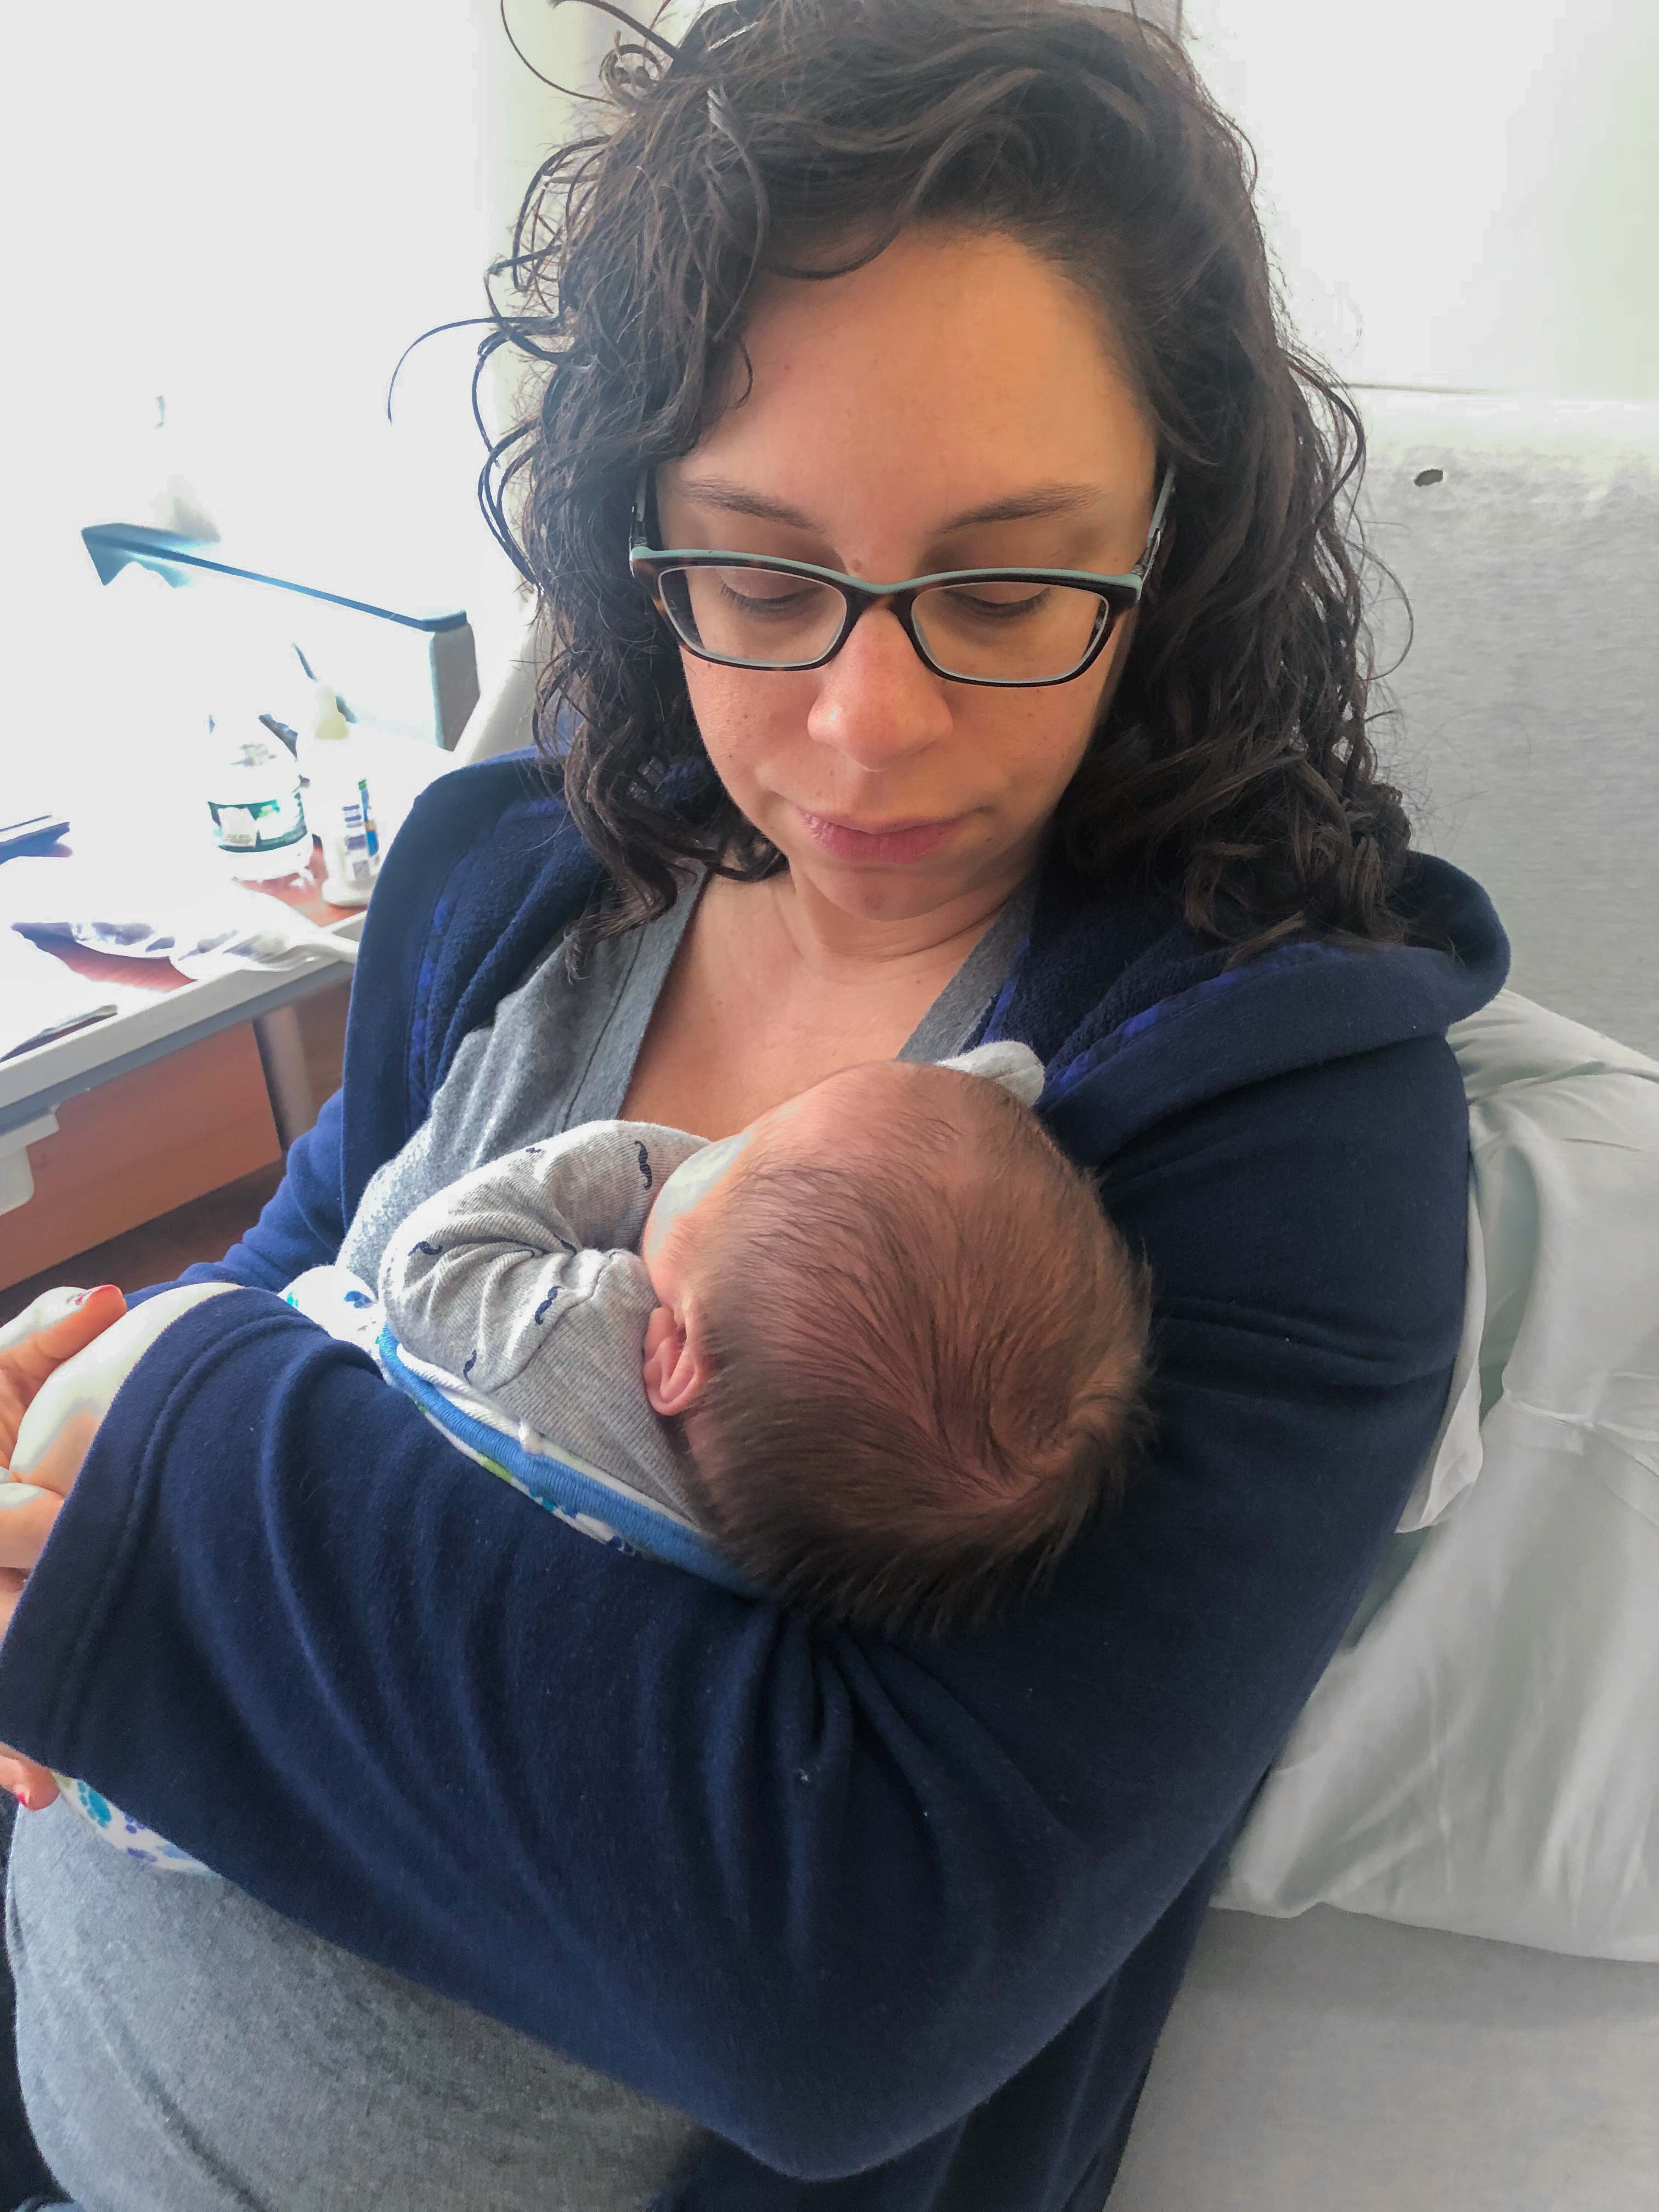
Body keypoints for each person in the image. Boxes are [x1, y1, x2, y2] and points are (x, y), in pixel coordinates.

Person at [0, 1, 1508, 2207]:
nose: (864, 728)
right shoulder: (504, 891)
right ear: (636, 540)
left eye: (1004, 584)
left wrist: (171, 1447)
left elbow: (845, 1968)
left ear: (1168, 543)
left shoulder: (1270, 1138)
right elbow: (281, 1282)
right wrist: (84, 1450)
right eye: (763, 574)